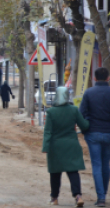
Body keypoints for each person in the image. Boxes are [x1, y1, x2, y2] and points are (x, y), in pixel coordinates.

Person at [42, 87, 89, 207]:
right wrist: (89, 122)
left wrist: (45, 146)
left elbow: (48, 131)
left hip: (55, 146)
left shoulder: (51, 112)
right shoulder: (74, 110)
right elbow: (84, 125)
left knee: (55, 173)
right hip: (71, 144)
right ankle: (78, 196)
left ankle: (54, 198)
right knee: (73, 171)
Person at [79, 67, 110, 207]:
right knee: (106, 164)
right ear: (108, 78)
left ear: (95, 78)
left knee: (96, 165)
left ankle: (101, 198)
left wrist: (85, 128)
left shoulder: (89, 93)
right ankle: (103, 194)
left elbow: (81, 113)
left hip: (92, 133)